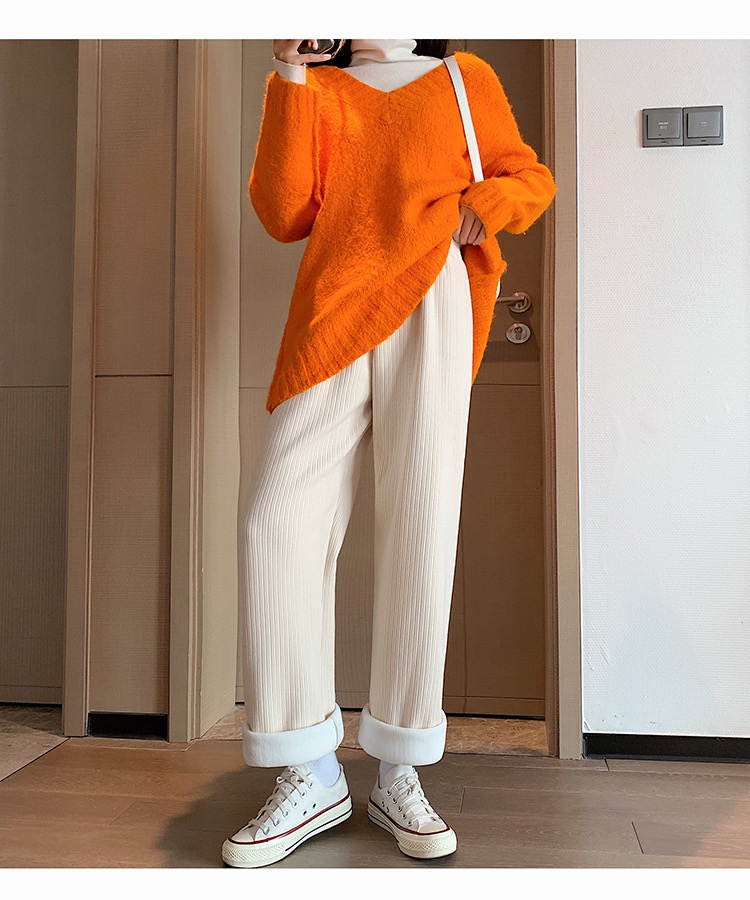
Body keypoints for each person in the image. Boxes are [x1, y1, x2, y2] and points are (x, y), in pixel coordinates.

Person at [222, 38, 557, 869]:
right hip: (334, 308)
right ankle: (308, 769)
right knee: (275, 522)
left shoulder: (463, 78)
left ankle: (400, 767)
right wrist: (290, 74)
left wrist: (488, 203)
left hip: (433, 293)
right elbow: (282, 213)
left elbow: (531, 176)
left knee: (420, 521)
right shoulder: (317, 87)